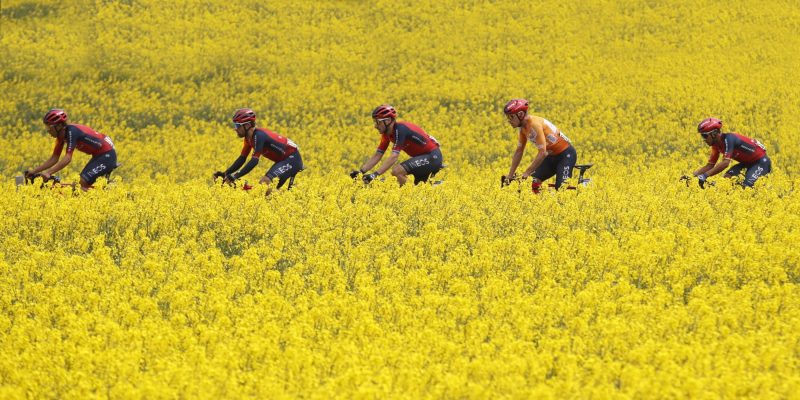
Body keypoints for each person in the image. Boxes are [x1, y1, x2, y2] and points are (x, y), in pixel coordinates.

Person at [25, 109, 117, 191]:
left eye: (49, 127)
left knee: (81, 184)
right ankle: (107, 191)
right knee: (77, 186)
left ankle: (110, 195)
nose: (48, 130)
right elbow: (54, 158)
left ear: (59, 126)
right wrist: (33, 171)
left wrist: (49, 172)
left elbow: (68, 158)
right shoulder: (61, 137)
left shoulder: (72, 131)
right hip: (99, 155)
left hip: (106, 154)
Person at [350, 104, 443, 186]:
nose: (375, 126)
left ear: (388, 121)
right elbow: (378, 154)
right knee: (421, 188)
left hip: (432, 157)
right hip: (425, 157)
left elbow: (394, 157)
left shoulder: (400, 129)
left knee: (397, 171)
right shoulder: (387, 134)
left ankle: (411, 196)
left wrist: (375, 175)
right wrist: (361, 172)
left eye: (378, 122)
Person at [216, 108, 303, 195]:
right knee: (263, 191)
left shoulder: (259, 136)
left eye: (237, 126)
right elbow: (242, 158)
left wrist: (235, 176)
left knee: (264, 185)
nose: (235, 129)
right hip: (283, 160)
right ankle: (286, 199)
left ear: (247, 125)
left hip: (292, 159)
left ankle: (288, 201)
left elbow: (254, 160)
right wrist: (226, 173)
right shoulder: (248, 139)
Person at [502, 99, 577, 193]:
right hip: (551, 157)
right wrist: (510, 175)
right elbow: (519, 151)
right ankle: (545, 203)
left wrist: (527, 172)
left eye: (511, 117)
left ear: (520, 114)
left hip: (565, 155)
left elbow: (542, 153)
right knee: (532, 183)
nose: (509, 120)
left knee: (561, 188)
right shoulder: (523, 128)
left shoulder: (534, 124)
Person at [691, 117, 771, 188]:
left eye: (705, 136)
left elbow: (725, 163)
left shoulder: (729, 139)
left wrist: (705, 175)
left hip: (761, 162)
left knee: (746, 187)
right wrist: (691, 176)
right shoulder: (715, 145)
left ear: (714, 133)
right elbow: (710, 165)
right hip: (747, 163)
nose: (704, 139)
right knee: (726, 181)